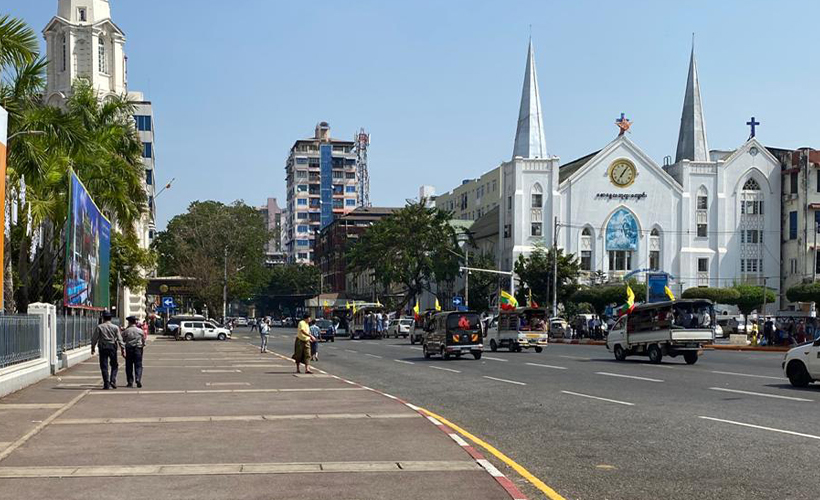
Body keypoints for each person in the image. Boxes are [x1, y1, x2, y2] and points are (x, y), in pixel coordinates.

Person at [91, 311, 124, 390]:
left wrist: (92, 347)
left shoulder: (100, 327)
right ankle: (113, 380)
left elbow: (94, 338)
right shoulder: (115, 327)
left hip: (103, 347)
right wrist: (123, 349)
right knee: (114, 365)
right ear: (110, 318)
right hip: (112, 346)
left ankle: (106, 383)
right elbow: (120, 339)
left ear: (103, 318)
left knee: (104, 366)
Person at [122, 316, 146, 388]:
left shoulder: (126, 331)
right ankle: (138, 378)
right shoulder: (140, 331)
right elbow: (143, 341)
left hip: (129, 349)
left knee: (129, 366)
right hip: (138, 349)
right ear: (135, 322)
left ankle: (130, 382)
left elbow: (122, 340)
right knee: (138, 365)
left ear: (129, 322)